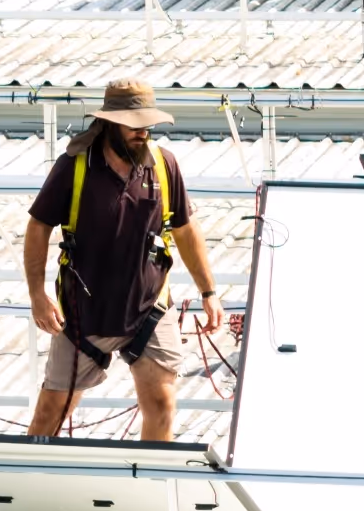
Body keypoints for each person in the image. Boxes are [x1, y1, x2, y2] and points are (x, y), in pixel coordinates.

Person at [23, 78, 224, 440]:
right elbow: (38, 226)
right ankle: (25, 481)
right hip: (84, 312)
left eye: (147, 124)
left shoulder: (163, 165)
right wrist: (38, 295)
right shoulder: (75, 166)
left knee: (162, 406)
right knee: (52, 412)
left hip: (149, 308)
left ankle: (151, 484)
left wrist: (209, 292)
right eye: (134, 125)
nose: (142, 132)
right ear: (108, 123)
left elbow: (185, 229)